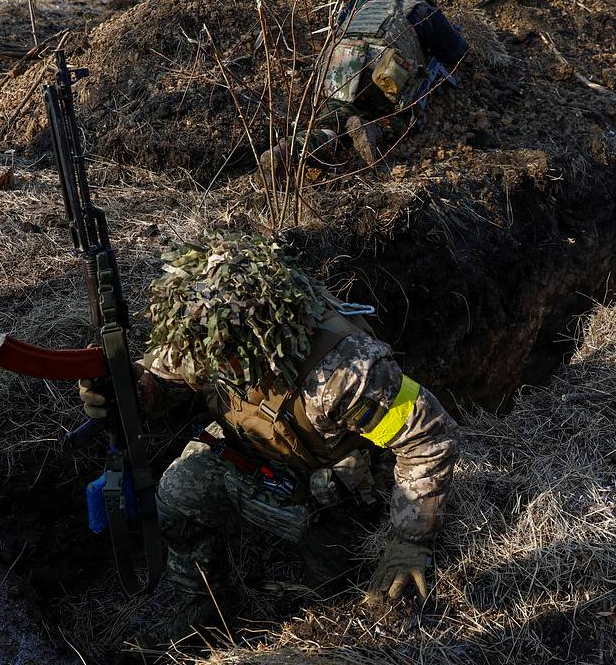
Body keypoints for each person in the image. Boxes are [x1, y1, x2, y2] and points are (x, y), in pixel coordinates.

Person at [78, 234, 458, 642]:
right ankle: (202, 610)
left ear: (261, 339)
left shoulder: (344, 371)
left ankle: (326, 595)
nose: (203, 362)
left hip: (330, 481)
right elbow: (165, 378)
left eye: (220, 356)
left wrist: (410, 540)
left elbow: (427, 438)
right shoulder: (203, 331)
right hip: (247, 452)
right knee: (175, 501)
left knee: (338, 582)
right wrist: (134, 388)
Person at [261, 0, 469, 175]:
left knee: (333, 120)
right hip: (382, 76)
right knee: (407, 121)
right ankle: (373, 129)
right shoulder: (422, 10)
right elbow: (456, 51)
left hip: (339, 69)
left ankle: (288, 149)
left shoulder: (368, 3)